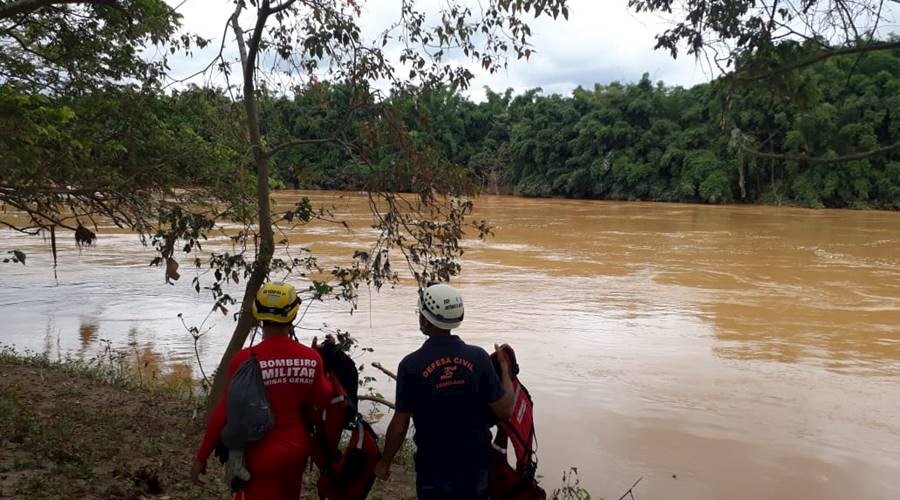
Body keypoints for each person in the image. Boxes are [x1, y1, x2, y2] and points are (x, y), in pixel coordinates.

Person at [191, 282, 332, 499]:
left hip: (260, 452)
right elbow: (323, 398)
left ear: (258, 312)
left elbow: (224, 413)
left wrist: (202, 456)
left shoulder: (244, 359)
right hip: (297, 448)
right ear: (293, 314)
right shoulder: (312, 358)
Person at [374, 283, 515, 499]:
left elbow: (400, 425)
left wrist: (385, 462)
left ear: (424, 319)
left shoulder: (411, 365)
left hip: (433, 470)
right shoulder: (479, 359)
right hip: (475, 467)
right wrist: (505, 371)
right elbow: (505, 410)